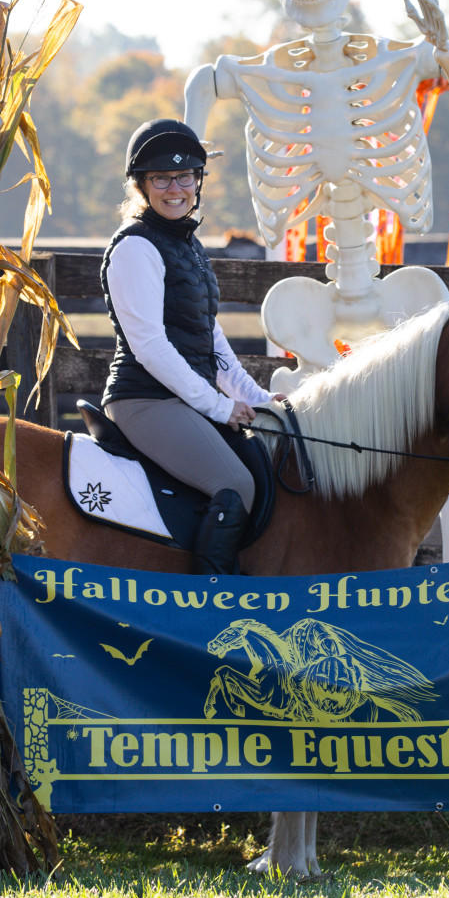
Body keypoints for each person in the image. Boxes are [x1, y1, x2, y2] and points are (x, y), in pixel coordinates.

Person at [100, 118, 281, 574]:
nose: (175, 188)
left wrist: (257, 399)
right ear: (142, 186)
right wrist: (219, 407)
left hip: (185, 396)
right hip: (145, 398)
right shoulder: (135, 248)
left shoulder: (187, 244)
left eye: (185, 177)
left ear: (198, 182)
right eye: (161, 178)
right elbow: (150, 347)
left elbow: (209, 337)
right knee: (235, 484)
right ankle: (211, 601)